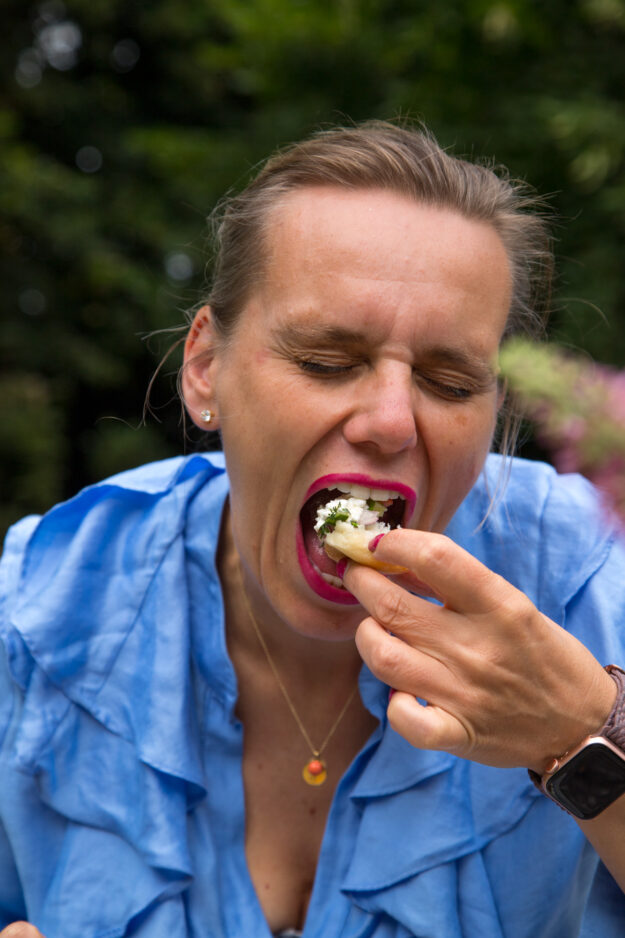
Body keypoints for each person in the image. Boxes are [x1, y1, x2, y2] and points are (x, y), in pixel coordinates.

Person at [1, 120, 624, 938]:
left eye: (448, 379)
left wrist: (583, 729)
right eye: (326, 362)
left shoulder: (590, 574)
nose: (391, 422)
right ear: (204, 367)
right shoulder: (39, 609)